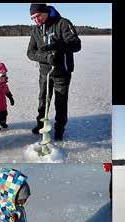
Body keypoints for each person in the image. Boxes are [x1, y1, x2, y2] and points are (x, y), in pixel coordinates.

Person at [27, 3, 81, 141]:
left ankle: (59, 129)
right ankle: (41, 124)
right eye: (33, 18)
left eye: (38, 15)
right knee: (43, 100)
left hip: (62, 72)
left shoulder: (63, 23)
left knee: (61, 103)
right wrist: (46, 57)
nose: (36, 20)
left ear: (45, 11)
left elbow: (76, 44)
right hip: (45, 73)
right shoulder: (36, 30)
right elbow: (30, 52)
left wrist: (60, 46)